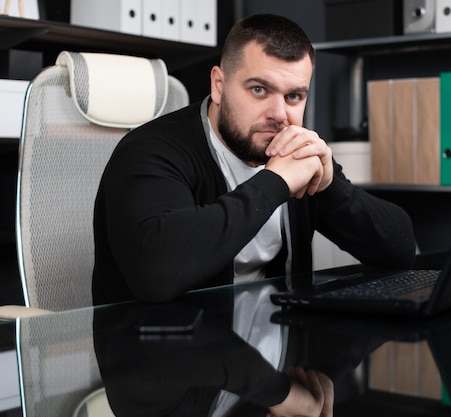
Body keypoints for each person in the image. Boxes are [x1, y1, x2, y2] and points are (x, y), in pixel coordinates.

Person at [92, 13, 416, 306]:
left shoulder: (296, 151)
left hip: (275, 356)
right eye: (259, 90)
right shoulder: (150, 150)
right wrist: (275, 183)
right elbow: (157, 273)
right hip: (165, 359)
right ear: (219, 86)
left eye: (294, 96)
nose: (279, 114)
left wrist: (332, 188)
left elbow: (400, 250)